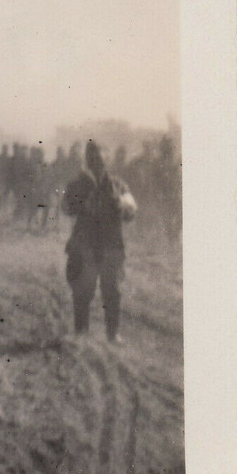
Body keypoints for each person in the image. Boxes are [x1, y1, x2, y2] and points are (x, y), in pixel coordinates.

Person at [61, 140, 137, 342]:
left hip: (111, 245)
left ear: (107, 161)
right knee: (82, 289)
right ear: (87, 161)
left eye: (101, 161)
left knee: (112, 290)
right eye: (93, 160)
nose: (97, 164)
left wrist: (120, 204)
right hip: (84, 245)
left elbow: (132, 210)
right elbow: (66, 207)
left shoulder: (118, 185)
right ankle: (81, 332)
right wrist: (81, 202)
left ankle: (112, 333)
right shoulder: (76, 184)